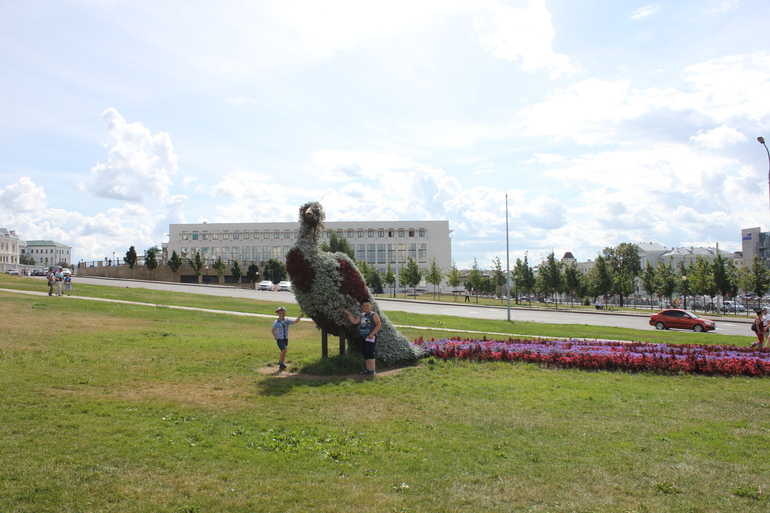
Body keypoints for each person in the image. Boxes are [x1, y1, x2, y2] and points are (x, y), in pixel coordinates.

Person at [343, 299, 381, 375]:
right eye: (364, 306)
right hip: (363, 337)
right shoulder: (362, 315)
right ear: (362, 307)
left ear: (371, 306)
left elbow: (378, 325)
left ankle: (373, 370)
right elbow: (355, 321)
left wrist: (372, 334)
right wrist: (349, 314)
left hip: (370, 337)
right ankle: (368, 369)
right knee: (365, 353)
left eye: (367, 306)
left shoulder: (373, 315)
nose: (366, 307)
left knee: (370, 352)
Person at [271, 306, 303, 371]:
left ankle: (281, 364)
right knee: (284, 350)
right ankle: (280, 362)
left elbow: (295, 322)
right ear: (278, 314)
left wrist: (299, 317)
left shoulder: (287, 321)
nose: (281, 315)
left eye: (283, 313)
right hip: (279, 339)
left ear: (285, 314)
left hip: (285, 338)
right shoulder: (276, 323)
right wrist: (275, 336)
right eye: (280, 313)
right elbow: (273, 330)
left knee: (284, 351)